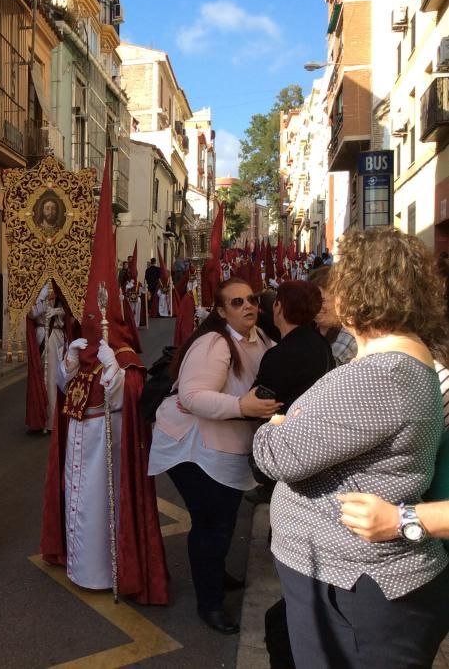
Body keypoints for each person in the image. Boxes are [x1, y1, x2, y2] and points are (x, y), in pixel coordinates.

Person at [252, 227, 449, 668]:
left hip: (358, 590)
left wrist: (274, 426)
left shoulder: (381, 375)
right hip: (355, 586)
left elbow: (273, 456)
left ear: (357, 291)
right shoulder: (397, 362)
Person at [40, 157, 169, 605]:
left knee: (99, 510)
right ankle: (79, 564)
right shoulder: (81, 348)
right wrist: (70, 364)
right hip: (78, 440)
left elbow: (131, 393)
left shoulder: (125, 355)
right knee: (77, 503)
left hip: (104, 447)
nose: (90, 324)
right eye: (86, 319)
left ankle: (106, 570)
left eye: (97, 318)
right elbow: (65, 390)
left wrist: (117, 375)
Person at [149, 278, 280, 634]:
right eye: (237, 302)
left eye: (252, 299)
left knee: (222, 520)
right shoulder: (214, 344)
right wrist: (242, 405)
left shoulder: (261, 338)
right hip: (193, 448)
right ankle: (209, 602)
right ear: (221, 311)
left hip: (228, 443)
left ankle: (215, 573)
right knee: (213, 524)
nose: (248, 306)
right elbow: (192, 396)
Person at [253, 280, 333, 412]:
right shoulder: (320, 343)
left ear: (278, 307)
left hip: (285, 426)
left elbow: (258, 403)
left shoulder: (279, 355)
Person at [26, 281, 69, 433]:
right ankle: (40, 417)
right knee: (40, 379)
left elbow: (72, 308)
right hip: (40, 335)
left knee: (52, 379)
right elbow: (30, 313)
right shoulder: (35, 287)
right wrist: (41, 302)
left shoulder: (61, 285)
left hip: (55, 335)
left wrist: (57, 310)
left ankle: (52, 421)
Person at [308, 265, 357, 366]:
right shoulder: (311, 329)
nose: (315, 306)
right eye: (311, 300)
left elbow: (325, 370)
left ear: (340, 301)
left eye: (321, 300)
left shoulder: (347, 334)